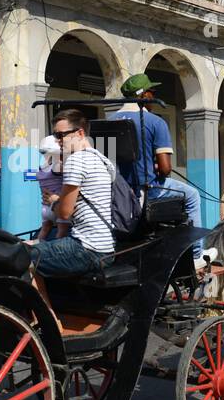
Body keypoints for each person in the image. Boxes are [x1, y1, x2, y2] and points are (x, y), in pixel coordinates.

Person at [108, 73, 204, 256]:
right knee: (192, 195)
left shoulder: (110, 120)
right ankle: (197, 254)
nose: (154, 96)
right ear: (144, 95)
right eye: (152, 92)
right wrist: (158, 168)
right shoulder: (155, 122)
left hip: (118, 191)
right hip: (149, 190)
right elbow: (166, 169)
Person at [29, 109, 113, 285]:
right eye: (55, 135)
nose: (57, 141)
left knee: (21, 257)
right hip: (106, 248)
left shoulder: (76, 160)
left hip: (87, 248)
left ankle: (41, 311)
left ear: (80, 133)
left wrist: (53, 201)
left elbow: (65, 213)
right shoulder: (102, 159)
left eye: (61, 135)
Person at [32, 134, 70, 243]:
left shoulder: (42, 167)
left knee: (44, 230)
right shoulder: (58, 166)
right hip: (56, 205)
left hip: (44, 207)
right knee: (61, 233)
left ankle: (35, 248)